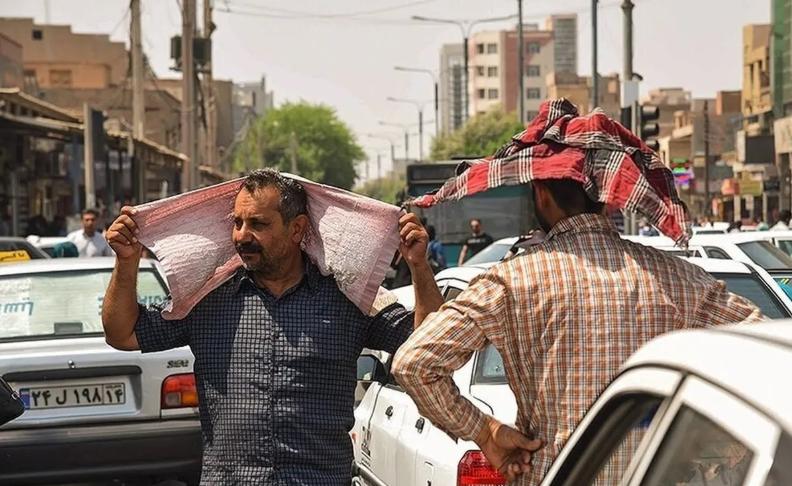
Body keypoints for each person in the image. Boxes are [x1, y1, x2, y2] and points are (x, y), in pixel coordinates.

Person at [391, 99, 763, 485]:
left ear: (541, 194)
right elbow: (771, 361)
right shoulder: (678, 279)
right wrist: (703, 449)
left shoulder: (510, 281)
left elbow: (415, 363)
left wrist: (486, 432)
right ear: (603, 195)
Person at [102, 169, 444, 485]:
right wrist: (127, 261)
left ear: (296, 229)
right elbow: (123, 334)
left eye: (258, 224)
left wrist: (419, 267)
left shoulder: (347, 300)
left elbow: (431, 347)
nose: (242, 236)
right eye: (237, 222)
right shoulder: (206, 300)